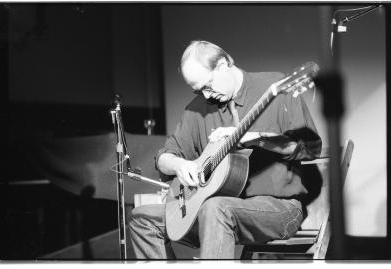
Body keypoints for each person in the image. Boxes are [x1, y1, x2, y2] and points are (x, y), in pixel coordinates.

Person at [128, 40, 322, 259]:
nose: (207, 96)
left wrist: (257, 139)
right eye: (199, 91)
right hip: (210, 210)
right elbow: (163, 158)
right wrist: (180, 165)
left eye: (208, 86)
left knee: (215, 208)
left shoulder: (275, 88)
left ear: (223, 64)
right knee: (142, 218)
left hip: (278, 209)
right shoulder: (196, 109)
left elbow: (310, 149)